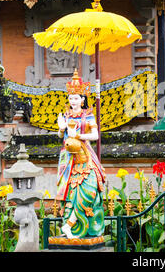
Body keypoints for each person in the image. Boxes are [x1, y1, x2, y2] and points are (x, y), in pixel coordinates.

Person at [55, 69, 106, 239]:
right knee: (70, 193)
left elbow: (95, 136)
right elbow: (60, 135)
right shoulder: (65, 115)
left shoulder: (88, 116)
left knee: (89, 189)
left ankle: (73, 225)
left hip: (85, 156)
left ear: (83, 99)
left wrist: (79, 135)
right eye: (70, 98)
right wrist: (61, 127)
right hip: (69, 159)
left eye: (76, 98)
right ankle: (69, 225)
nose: (73, 101)